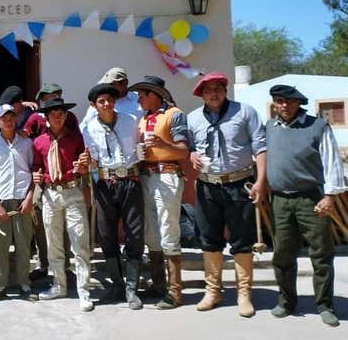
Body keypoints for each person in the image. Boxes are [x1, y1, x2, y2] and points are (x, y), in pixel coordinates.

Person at [186, 71, 267, 317]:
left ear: (225, 89)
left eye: (218, 87)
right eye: (208, 89)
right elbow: (189, 147)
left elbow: (260, 146)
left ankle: (244, 294)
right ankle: (213, 291)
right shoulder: (192, 119)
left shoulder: (245, 112)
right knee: (209, 239)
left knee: (242, 239)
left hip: (238, 183)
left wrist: (261, 181)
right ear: (200, 93)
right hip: (207, 185)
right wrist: (191, 154)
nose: (214, 92)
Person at [265, 84, 346, 327]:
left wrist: (330, 196)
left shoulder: (317, 126)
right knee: (282, 254)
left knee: (321, 254)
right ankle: (286, 302)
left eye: (289, 101)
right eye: (279, 101)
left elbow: (332, 160)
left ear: (299, 103)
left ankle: (324, 305)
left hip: (311, 199)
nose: (284, 106)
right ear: (274, 104)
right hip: (279, 200)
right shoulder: (270, 127)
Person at [81, 84, 144, 310]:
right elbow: (93, 161)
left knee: (135, 233)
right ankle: (117, 284)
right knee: (106, 234)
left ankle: (132, 288)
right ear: (94, 106)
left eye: (109, 100)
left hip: (130, 181)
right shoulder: (88, 129)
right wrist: (88, 165)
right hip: (105, 184)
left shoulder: (130, 121)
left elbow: (140, 150)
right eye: (101, 101)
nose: (106, 104)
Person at [129, 76, 189, 310]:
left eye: (142, 95)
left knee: (168, 229)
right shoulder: (143, 119)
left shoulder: (174, 114)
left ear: (154, 94)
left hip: (167, 174)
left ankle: (175, 291)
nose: (139, 99)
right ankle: (158, 284)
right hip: (147, 175)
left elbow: (184, 151)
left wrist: (164, 146)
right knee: (151, 232)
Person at [32, 97, 94, 312]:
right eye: (53, 112)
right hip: (50, 195)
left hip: (73, 191)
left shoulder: (76, 138)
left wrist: (84, 168)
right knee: (54, 243)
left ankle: (84, 290)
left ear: (66, 115)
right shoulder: (39, 142)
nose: (57, 115)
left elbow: (85, 166)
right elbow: (37, 168)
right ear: (47, 117)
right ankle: (59, 285)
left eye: (61, 111)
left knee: (79, 240)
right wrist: (37, 177)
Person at [0, 104, 37, 302]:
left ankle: (24, 283)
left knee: (23, 245)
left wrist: (30, 197)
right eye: (4, 118)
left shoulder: (26, 143)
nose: (8, 121)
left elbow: (34, 172)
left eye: (11, 117)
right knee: (0, 246)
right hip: (1, 199)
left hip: (23, 199)